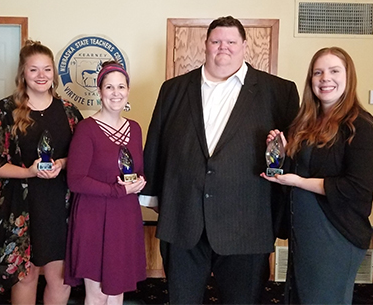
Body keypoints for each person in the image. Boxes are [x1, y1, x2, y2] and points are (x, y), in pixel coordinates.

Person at [141, 16, 300, 304]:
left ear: (244, 46)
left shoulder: (279, 91)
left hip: (247, 224)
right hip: (183, 220)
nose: (222, 47)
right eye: (216, 41)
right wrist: (150, 199)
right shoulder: (173, 89)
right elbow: (156, 144)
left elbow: (294, 155)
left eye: (230, 41)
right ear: (206, 45)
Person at [261, 47, 373, 304]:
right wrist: (281, 150)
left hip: (335, 234)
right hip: (304, 231)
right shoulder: (306, 122)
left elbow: (358, 189)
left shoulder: (360, 126)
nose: (325, 78)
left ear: (349, 77)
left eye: (334, 71)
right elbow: (301, 170)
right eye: (318, 72)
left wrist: (298, 182)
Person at [0, 40, 83, 305]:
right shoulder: (5, 111)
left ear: (54, 73)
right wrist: (29, 172)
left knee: (59, 277)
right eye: (33, 69)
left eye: (47, 69)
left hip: (59, 205)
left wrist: (61, 163)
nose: (41, 76)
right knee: (26, 276)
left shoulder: (69, 112)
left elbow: (83, 158)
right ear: (22, 73)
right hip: (20, 205)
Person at [64, 61, 147, 305]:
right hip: (94, 216)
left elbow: (137, 169)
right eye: (109, 87)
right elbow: (75, 180)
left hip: (124, 215)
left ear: (128, 91)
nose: (116, 93)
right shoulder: (86, 129)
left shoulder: (135, 128)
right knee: (98, 293)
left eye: (121, 87)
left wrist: (140, 181)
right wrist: (116, 190)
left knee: (116, 290)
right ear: (99, 92)